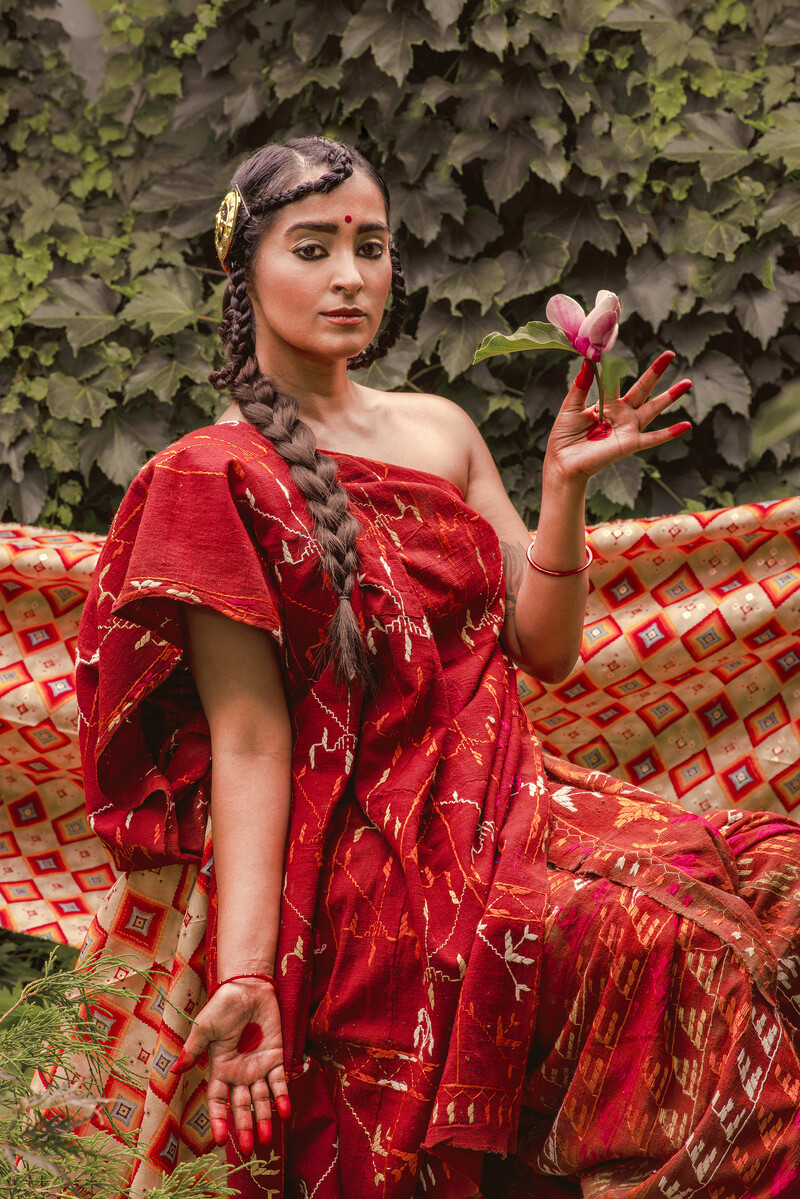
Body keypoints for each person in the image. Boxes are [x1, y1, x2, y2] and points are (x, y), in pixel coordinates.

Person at [70, 137, 800, 1199]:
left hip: (518, 800)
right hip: (375, 851)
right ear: (245, 273)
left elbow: (542, 649)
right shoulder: (207, 477)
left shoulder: (437, 428)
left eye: (369, 247)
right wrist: (244, 972)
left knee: (774, 867)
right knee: (675, 950)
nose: (350, 276)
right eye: (311, 248)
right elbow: (250, 737)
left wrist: (560, 492)